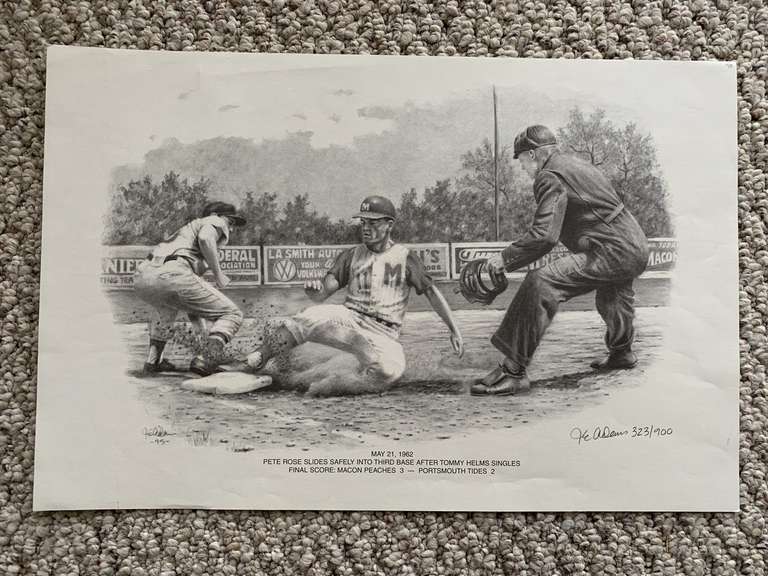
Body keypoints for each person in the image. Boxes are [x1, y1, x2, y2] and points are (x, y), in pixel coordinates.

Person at [471, 125, 650, 396]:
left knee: (541, 282)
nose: (522, 167)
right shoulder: (575, 164)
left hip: (613, 248)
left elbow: (544, 236)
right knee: (613, 295)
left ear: (533, 154)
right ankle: (621, 352)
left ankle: (513, 371)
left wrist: (504, 259)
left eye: (521, 159)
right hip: (634, 243)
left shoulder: (549, 175)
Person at [246, 195, 464, 391]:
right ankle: (257, 358)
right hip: (349, 319)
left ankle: (342, 377)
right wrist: (314, 290)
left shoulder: (404, 257)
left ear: (389, 225)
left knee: (389, 372)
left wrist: (454, 330)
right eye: (363, 222)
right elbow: (322, 294)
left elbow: (432, 293)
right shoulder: (351, 255)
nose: (366, 228)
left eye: (373, 223)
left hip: (384, 333)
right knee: (307, 316)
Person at [133, 201, 247, 376]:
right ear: (215, 215)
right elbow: (205, 238)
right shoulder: (213, 220)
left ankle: (153, 362)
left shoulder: (185, 233)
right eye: (230, 222)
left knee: (167, 309)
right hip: (172, 272)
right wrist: (218, 274)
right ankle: (207, 358)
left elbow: (193, 308)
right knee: (232, 314)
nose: (231, 228)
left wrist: (204, 338)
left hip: (143, 276)